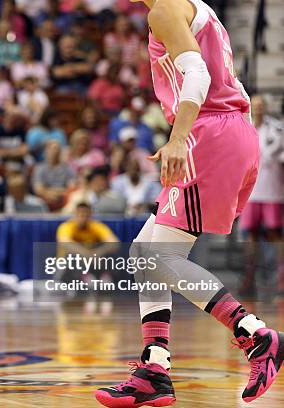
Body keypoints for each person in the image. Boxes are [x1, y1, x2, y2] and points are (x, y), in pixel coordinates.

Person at [95, 1, 283, 407]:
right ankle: (155, 368)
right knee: (145, 252)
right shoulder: (199, 8)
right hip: (229, 131)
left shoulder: (163, 10)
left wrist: (181, 137)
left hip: (209, 135)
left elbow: (197, 74)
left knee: (158, 258)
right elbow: (233, 84)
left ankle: (254, 334)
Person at [238, 95, 284, 297]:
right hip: (250, 191)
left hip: (272, 190)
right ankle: (249, 280)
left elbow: (271, 155)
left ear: (266, 108)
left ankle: (282, 280)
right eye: (254, 106)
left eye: (260, 106)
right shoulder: (242, 127)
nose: (257, 109)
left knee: (275, 234)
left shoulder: (276, 128)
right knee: (251, 235)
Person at [32, 140, 75, 211]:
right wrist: (50, 194)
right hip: (45, 199)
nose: (54, 152)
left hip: (63, 198)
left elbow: (72, 186)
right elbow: (38, 189)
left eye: (57, 149)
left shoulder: (67, 168)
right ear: (46, 151)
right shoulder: (40, 168)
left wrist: (60, 193)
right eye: (51, 149)